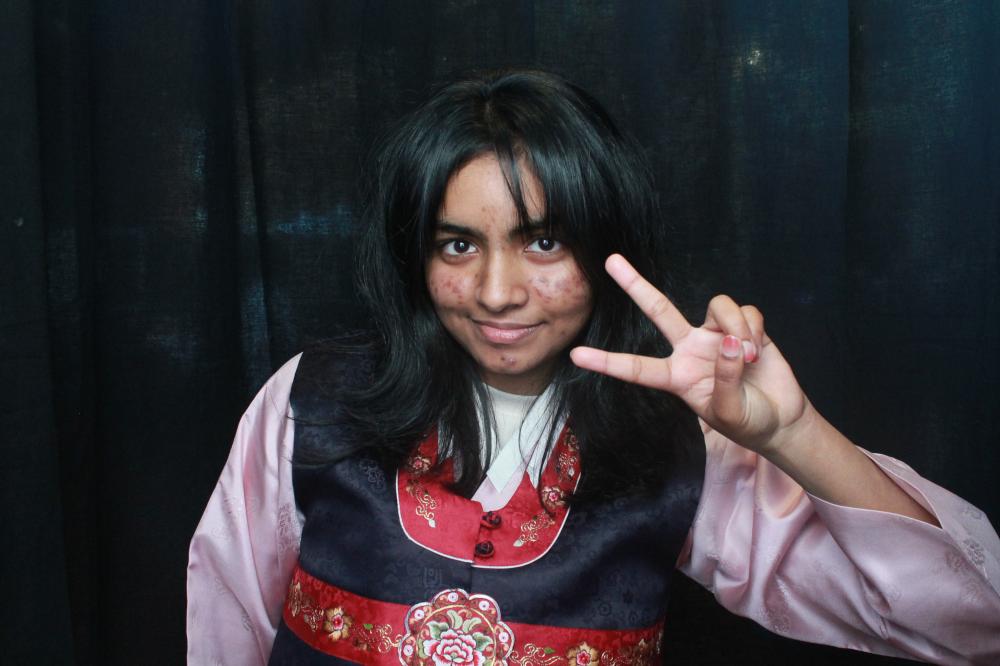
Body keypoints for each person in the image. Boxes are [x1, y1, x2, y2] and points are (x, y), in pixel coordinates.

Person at [186, 70, 1000, 665]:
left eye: (543, 241)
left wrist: (792, 433)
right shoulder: (311, 402)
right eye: (458, 245)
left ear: (608, 244)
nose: (497, 292)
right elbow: (226, 624)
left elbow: (969, 626)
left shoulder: (681, 445)